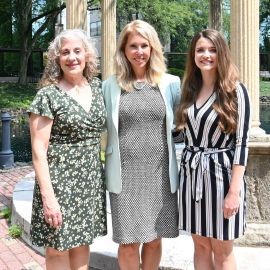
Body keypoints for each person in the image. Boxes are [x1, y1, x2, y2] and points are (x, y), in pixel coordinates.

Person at [102, 20, 180, 270]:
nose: (139, 52)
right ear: (123, 50)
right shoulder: (109, 86)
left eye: (144, 45)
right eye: (133, 46)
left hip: (160, 176)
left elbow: (183, 125)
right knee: (127, 242)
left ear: (153, 48)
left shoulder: (171, 83)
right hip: (124, 175)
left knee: (155, 239)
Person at [28, 29, 107, 270]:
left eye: (77, 51)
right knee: (58, 249)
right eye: (65, 52)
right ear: (57, 59)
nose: (71, 57)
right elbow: (38, 150)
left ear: (87, 55)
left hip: (89, 181)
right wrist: (48, 197)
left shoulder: (97, 87)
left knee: (82, 244)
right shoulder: (48, 95)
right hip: (59, 182)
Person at [176, 29, 250, 270]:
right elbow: (179, 132)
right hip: (191, 175)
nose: (206, 55)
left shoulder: (235, 91)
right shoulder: (189, 89)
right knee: (200, 245)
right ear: (193, 55)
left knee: (222, 248)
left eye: (212, 50)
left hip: (222, 178)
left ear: (222, 53)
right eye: (200, 50)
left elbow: (241, 143)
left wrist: (234, 192)